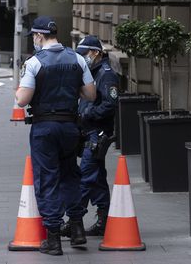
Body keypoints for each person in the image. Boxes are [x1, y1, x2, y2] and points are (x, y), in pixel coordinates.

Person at [16, 16, 96, 256]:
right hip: (70, 126)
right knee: (70, 174)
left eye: (34, 37)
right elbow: (90, 94)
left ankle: (53, 238)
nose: (34, 40)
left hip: (44, 128)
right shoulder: (78, 58)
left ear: (39, 36)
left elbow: (22, 100)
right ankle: (77, 227)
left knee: (47, 178)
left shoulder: (34, 63)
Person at [61, 36, 119, 238]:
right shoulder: (91, 71)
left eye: (85, 53)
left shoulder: (106, 74)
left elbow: (109, 105)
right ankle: (104, 220)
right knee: (97, 179)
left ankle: (74, 221)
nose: (82, 57)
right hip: (88, 133)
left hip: (97, 134)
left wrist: (86, 114)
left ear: (95, 52)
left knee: (85, 177)